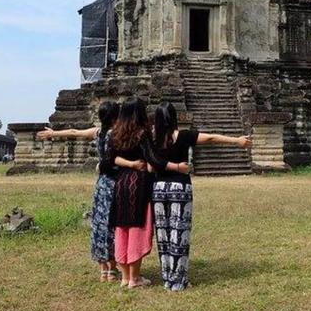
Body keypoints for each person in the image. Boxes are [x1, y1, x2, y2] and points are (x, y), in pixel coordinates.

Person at [36, 101, 144, 282]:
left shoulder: (98, 132)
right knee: (112, 225)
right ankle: (112, 269)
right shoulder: (117, 134)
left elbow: (74, 132)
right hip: (116, 184)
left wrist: (52, 133)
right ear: (116, 117)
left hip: (101, 183)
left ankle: (103, 270)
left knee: (100, 225)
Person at [151, 101, 252, 291]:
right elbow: (211, 138)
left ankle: (167, 277)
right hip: (179, 187)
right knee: (179, 233)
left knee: (163, 234)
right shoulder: (183, 136)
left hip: (158, 188)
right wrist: (236, 141)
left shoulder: (152, 139)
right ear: (174, 118)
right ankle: (178, 281)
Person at [102, 97, 188, 289]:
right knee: (136, 228)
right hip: (138, 184)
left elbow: (107, 162)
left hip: (121, 184)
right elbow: (153, 160)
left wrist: (127, 164)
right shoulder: (142, 134)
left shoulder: (115, 134)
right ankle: (135, 278)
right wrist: (177, 167)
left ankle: (125, 277)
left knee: (121, 228)